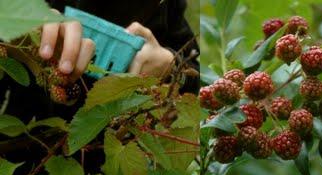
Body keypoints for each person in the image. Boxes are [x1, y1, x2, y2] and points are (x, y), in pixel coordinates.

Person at [1, 0, 199, 122]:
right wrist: (13, 40)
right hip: (23, 157)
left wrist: (170, 67)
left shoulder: (165, 5)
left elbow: (193, 73)